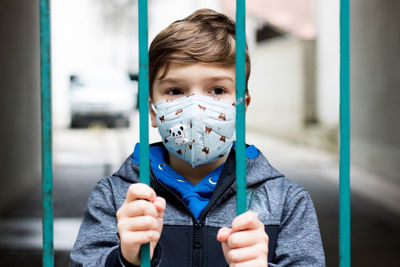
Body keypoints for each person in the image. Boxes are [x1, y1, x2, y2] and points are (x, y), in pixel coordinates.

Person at [70, 9, 325, 267]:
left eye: (217, 90)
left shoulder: (286, 202)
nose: (196, 107)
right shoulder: (117, 197)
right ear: (152, 110)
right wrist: (125, 260)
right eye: (175, 90)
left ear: (242, 108)